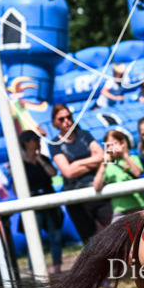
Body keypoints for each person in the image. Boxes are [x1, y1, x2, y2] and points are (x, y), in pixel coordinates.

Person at [49, 103, 112, 243]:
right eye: (61, 119)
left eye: (68, 117)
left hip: (97, 190)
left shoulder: (84, 135)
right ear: (55, 123)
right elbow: (68, 172)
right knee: (90, 242)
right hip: (76, 197)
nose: (66, 121)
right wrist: (92, 162)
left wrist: (77, 164)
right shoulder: (55, 144)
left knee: (114, 234)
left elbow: (103, 156)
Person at [19, 130, 65, 275]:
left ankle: (57, 269)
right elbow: (16, 187)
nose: (38, 142)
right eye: (34, 139)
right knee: (34, 238)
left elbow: (53, 173)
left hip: (49, 200)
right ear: (26, 143)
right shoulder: (19, 164)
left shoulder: (43, 158)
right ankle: (36, 272)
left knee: (55, 236)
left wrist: (39, 160)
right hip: (33, 203)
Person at [93, 129, 144, 221]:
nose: (111, 148)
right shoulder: (107, 166)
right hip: (120, 209)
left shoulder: (133, 158)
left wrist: (124, 155)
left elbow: (137, 173)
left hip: (139, 206)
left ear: (122, 143)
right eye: (108, 145)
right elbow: (97, 187)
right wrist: (103, 164)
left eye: (114, 144)